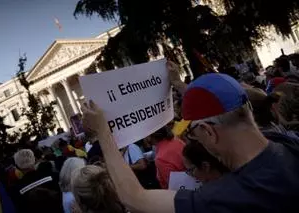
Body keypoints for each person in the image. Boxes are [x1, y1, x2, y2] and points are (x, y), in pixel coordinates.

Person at [81, 61, 299, 213]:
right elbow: (215, 106)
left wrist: (103, 132)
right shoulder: (284, 141)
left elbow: (134, 198)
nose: (191, 139)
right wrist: (177, 83)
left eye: (193, 133)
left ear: (209, 132)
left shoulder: (231, 196)